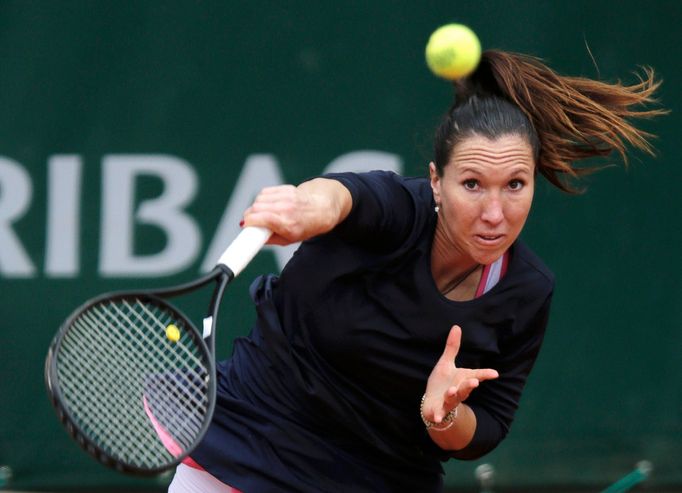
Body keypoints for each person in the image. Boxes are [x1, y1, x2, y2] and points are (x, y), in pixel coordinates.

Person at [168, 50, 664, 493]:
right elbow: (340, 197)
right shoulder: (397, 210)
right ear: (436, 181)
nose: (495, 213)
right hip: (244, 449)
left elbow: (487, 426)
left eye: (515, 185)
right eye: (472, 184)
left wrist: (444, 415)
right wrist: (301, 207)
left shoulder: (528, 291)